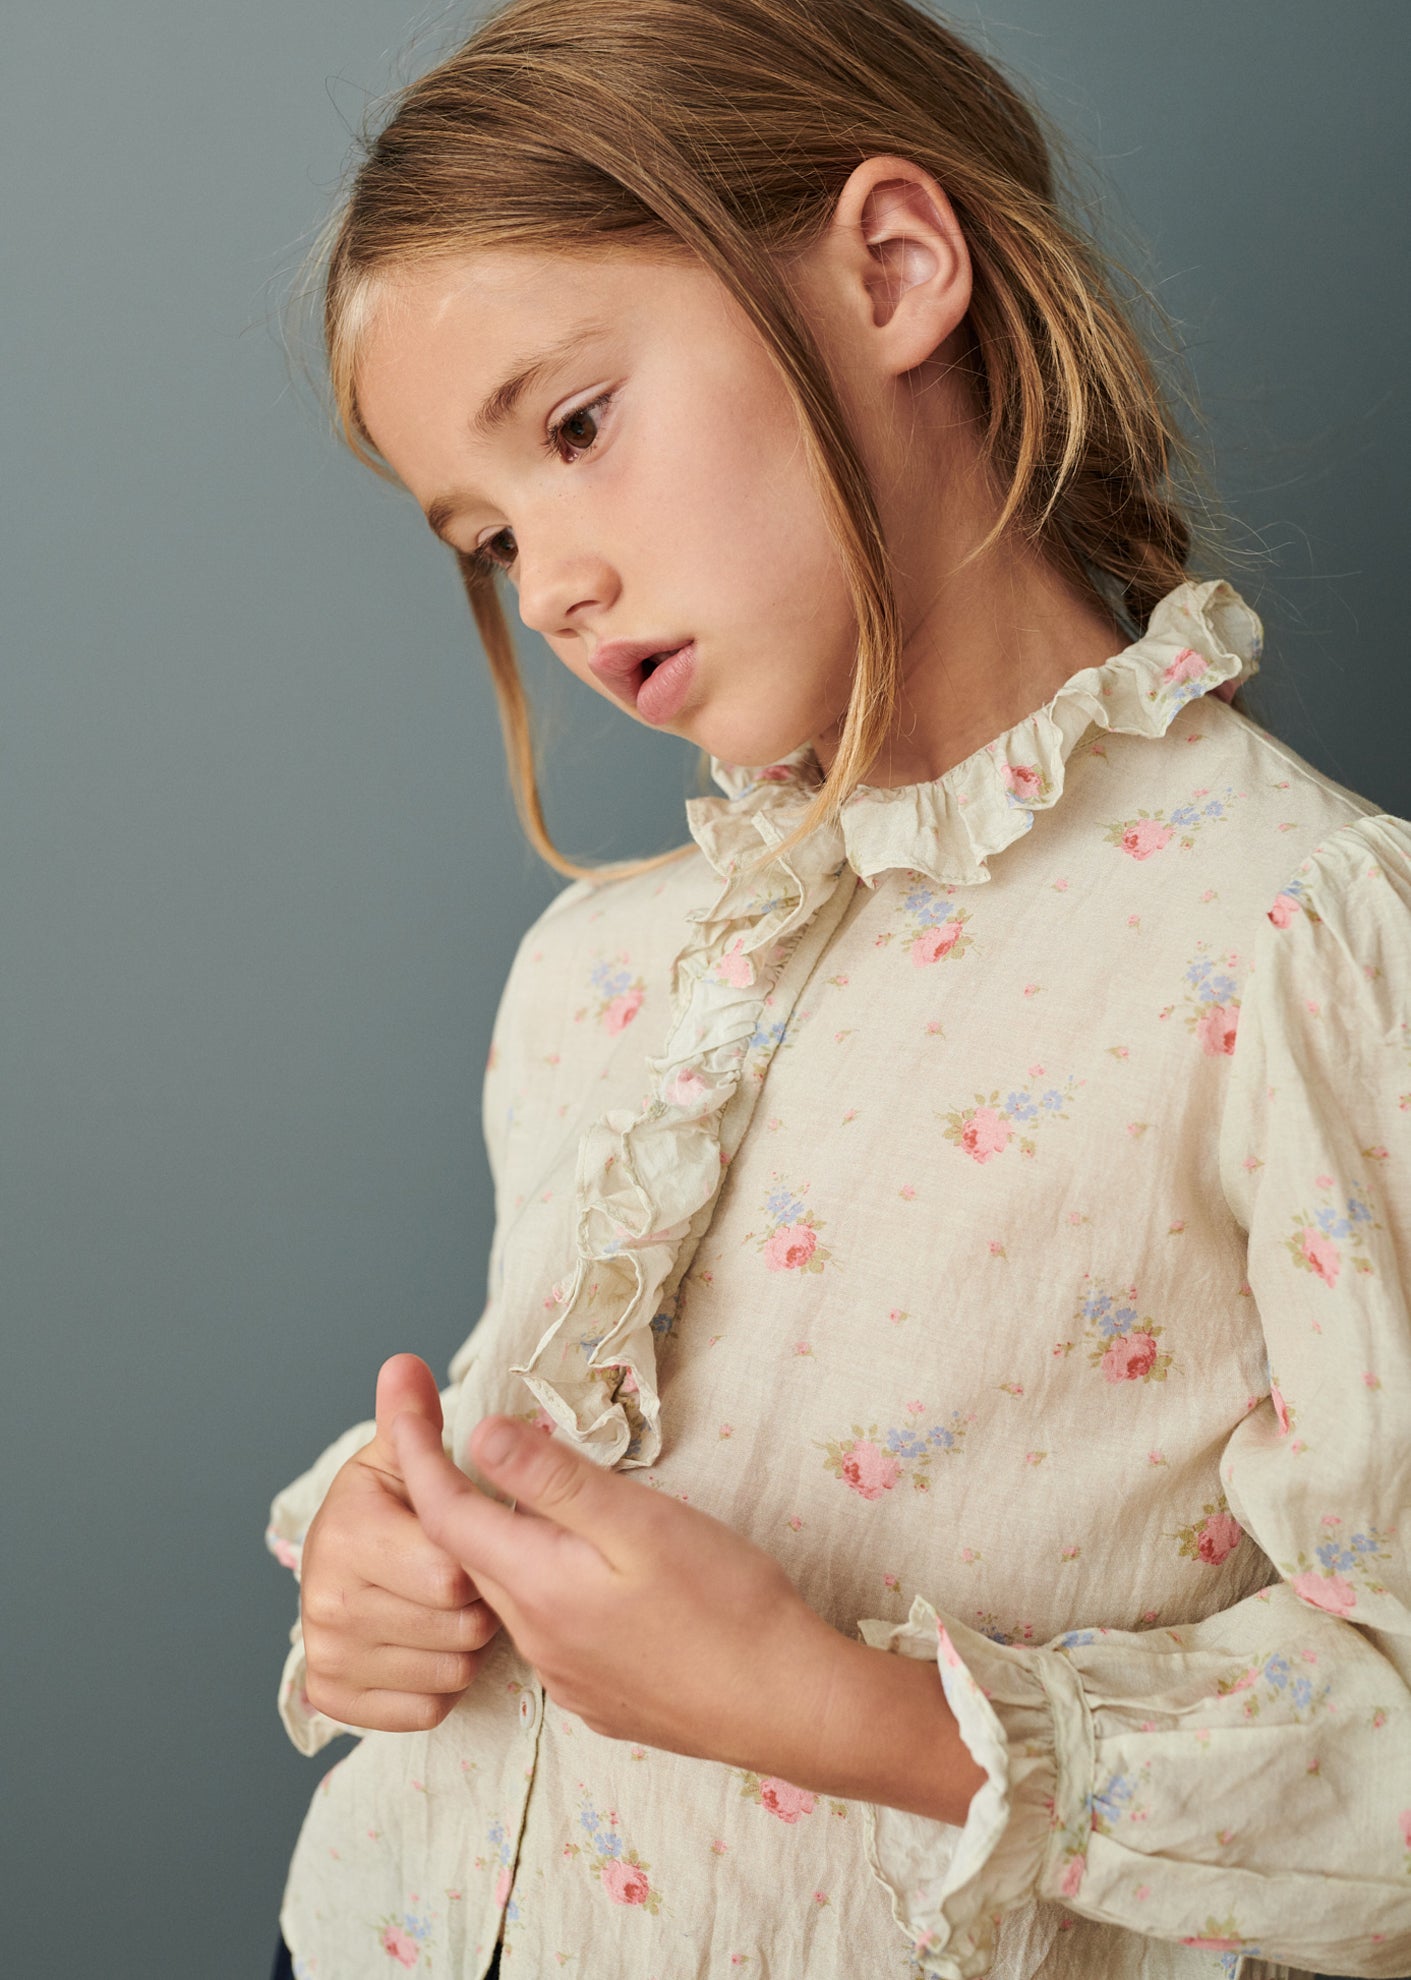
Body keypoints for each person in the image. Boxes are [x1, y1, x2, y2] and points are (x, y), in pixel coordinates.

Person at [264, 1, 1411, 1975]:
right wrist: (389, 1551)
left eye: (574, 428)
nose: (545, 584)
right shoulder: (601, 969)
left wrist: (839, 1714)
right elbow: (583, 1437)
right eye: (484, 535)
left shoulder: (1288, 936)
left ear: (892, 269)